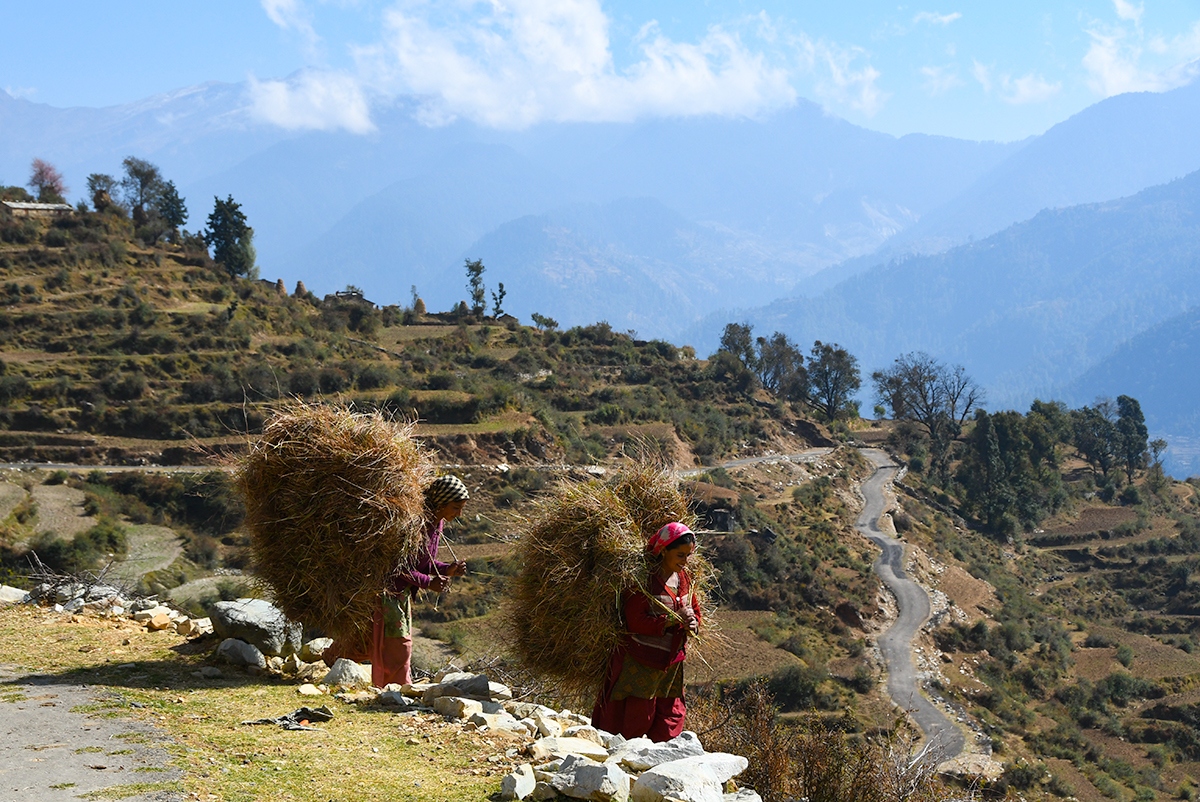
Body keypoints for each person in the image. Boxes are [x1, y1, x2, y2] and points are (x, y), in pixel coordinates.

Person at [325, 474, 469, 687]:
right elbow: (395, 566)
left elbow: (423, 563)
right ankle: (397, 692)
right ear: (441, 503)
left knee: (366, 640)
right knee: (399, 646)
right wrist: (428, 583)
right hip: (387, 593)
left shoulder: (436, 524)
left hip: (400, 594)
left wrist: (448, 569)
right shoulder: (412, 526)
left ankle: (331, 660)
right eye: (456, 507)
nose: (459, 513)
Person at [592, 522, 701, 742]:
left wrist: (693, 623)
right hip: (640, 660)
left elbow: (694, 610)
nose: (685, 561)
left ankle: (659, 759)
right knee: (636, 715)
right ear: (663, 550)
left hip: (670, 663)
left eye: (688, 555)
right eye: (680, 555)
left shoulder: (684, 580)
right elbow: (635, 622)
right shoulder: (643, 581)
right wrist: (672, 619)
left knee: (669, 714)